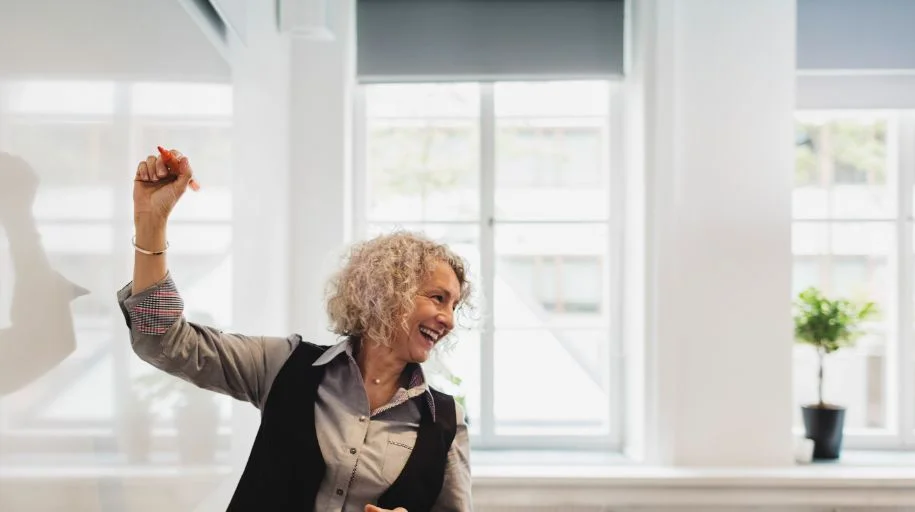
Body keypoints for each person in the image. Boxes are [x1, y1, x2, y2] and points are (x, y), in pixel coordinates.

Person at [117, 149, 473, 512]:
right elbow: (163, 340)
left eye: (454, 305)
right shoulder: (283, 366)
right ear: (386, 292)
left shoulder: (445, 421)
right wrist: (151, 222)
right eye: (437, 298)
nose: (449, 319)